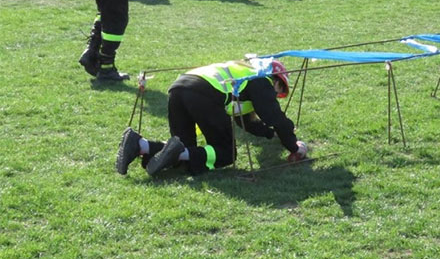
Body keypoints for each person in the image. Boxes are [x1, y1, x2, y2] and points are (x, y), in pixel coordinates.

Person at [115, 59, 308, 176]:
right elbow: (276, 117)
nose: (277, 95)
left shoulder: (243, 75)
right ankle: (171, 152)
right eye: (280, 89)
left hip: (179, 88)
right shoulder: (260, 80)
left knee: (187, 152)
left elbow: (246, 122)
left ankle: (140, 145)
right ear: (274, 78)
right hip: (203, 94)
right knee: (226, 153)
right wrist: (294, 146)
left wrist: (270, 134)